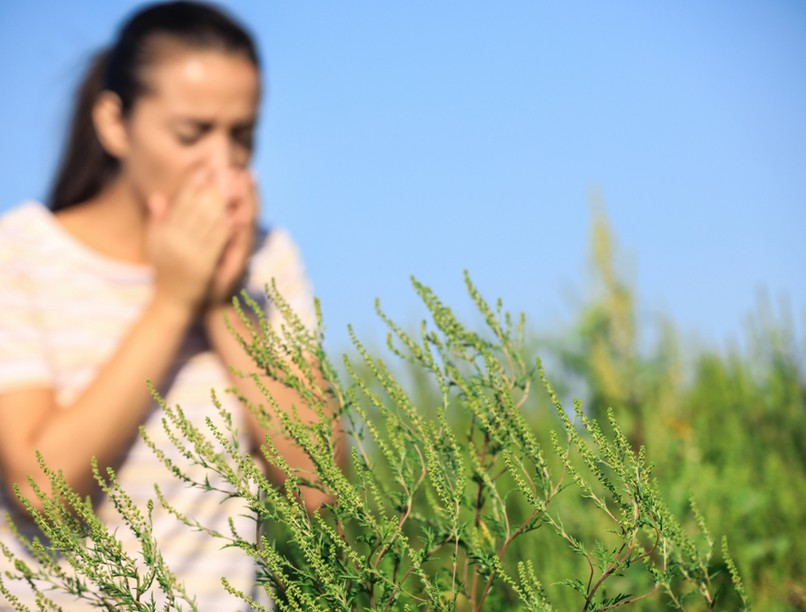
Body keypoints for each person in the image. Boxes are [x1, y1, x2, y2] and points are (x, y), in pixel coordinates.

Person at [0, 2, 332, 609]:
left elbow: (323, 493)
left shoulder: (269, 259)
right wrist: (171, 302)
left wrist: (222, 302)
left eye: (242, 136)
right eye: (191, 134)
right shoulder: (18, 253)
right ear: (115, 123)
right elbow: (44, 490)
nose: (222, 162)